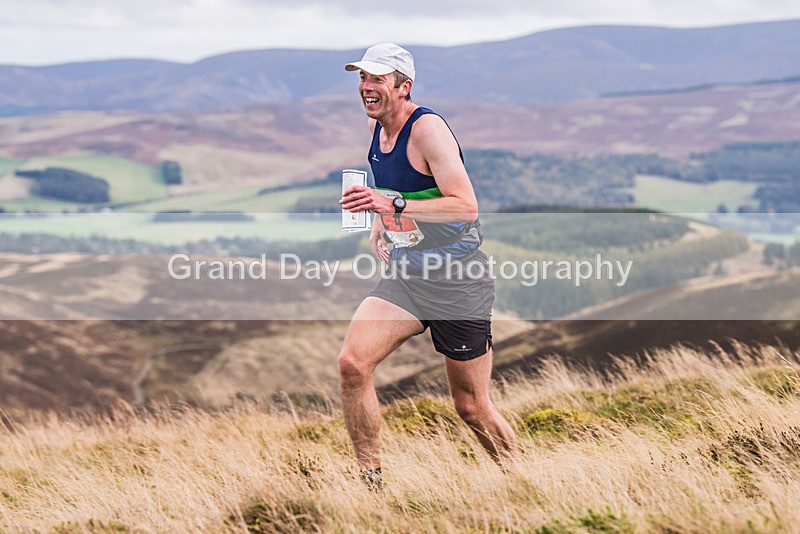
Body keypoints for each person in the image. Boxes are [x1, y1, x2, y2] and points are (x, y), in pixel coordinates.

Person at [338, 43, 517, 486]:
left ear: (404, 87)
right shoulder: (377, 123)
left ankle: (520, 479)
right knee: (352, 365)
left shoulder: (428, 130)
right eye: (362, 78)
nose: (366, 87)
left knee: (471, 408)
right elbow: (399, 190)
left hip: (458, 282)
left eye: (377, 79)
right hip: (409, 276)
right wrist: (383, 219)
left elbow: (465, 206)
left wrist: (391, 202)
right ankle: (371, 481)